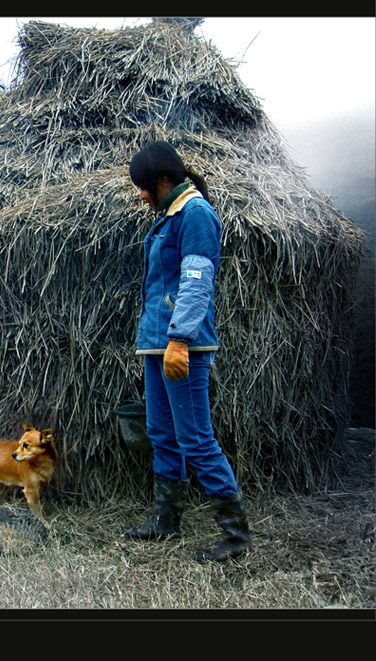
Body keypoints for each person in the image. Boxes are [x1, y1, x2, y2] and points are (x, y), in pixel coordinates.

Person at [123, 140, 251, 562]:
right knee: (163, 434)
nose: (141, 195)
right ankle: (166, 522)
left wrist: (179, 340)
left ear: (161, 179)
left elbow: (197, 281)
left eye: (142, 185)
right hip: (159, 346)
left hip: (183, 347)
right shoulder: (168, 218)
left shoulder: (195, 214)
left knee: (196, 440)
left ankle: (235, 538)